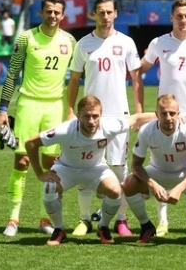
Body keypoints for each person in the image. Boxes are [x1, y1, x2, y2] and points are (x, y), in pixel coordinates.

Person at [0, 0, 76, 237]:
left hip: (54, 107)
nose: (52, 16)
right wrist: (2, 109)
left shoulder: (70, 41)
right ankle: (13, 218)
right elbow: (11, 74)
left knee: (52, 164)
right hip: (28, 104)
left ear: (63, 15)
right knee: (22, 161)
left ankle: (43, 219)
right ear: (41, 12)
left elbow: (78, 75)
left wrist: (72, 109)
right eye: (48, 11)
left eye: (57, 12)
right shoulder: (26, 37)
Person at [25, 95, 156, 246]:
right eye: (87, 116)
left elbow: (136, 118)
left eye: (95, 116)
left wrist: (168, 116)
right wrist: (40, 174)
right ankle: (59, 229)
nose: (91, 121)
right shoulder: (65, 130)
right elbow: (31, 143)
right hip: (66, 169)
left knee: (115, 190)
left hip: (95, 169)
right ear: (78, 115)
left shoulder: (109, 126)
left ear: (101, 115)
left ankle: (103, 226)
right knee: (49, 186)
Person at [67, 0, 143, 238]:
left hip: (119, 114)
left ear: (116, 13)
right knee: (84, 165)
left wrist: (139, 112)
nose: (106, 16)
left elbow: (137, 79)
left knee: (119, 168)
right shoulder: (83, 44)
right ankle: (85, 219)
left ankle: (121, 219)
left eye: (109, 12)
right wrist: (71, 111)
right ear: (94, 14)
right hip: (90, 117)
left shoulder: (128, 43)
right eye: (101, 12)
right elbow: (75, 79)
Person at [139, 0, 186, 237]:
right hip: (166, 114)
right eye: (179, 16)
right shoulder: (159, 42)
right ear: (171, 17)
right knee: (160, 161)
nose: (183, 20)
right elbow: (141, 68)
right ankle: (162, 221)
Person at [122, 94, 186, 244]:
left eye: (172, 113)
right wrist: (153, 184)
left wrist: (179, 188)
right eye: (164, 113)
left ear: (178, 114)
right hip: (157, 172)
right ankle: (146, 226)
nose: (168, 117)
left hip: (184, 173)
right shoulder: (147, 131)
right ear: (157, 114)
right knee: (129, 184)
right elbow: (136, 165)